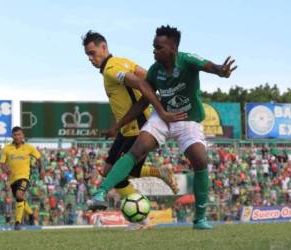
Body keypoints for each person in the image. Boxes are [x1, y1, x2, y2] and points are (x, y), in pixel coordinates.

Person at [90, 25, 237, 230]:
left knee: (200, 160)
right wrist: (118, 126)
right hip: (163, 117)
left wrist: (221, 71)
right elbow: (142, 103)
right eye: (153, 47)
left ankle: (200, 219)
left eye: (158, 47)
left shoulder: (187, 60)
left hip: (188, 119)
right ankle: (101, 192)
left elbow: (209, 66)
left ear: (172, 49)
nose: (154, 51)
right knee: (137, 149)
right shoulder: (155, 71)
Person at [82, 31, 184, 209]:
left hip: (136, 125)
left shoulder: (111, 70)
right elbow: (146, 75)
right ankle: (143, 208)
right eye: (87, 55)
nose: (90, 58)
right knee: (108, 171)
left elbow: (139, 82)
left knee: (119, 174)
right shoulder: (122, 61)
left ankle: (142, 214)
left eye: (92, 53)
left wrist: (158, 105)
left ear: (103, 47)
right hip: (126, 128)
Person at [0, 126, 44, 230]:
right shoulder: (6, 148)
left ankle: (18, 222)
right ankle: (31, 214)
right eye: (15, 135)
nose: (17, 137)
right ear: (12, 136)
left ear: (22, 135)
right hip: (12, 179)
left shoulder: (29, 147)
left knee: (19, 194)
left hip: (24, 177)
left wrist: (41, 170)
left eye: (19, 134)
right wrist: (6, 170)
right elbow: (1, 164)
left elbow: (39, 158)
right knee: (20, 199)